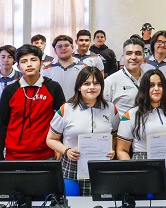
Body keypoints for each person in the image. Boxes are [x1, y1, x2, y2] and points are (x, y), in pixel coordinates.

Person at [46, 67, 118, 196]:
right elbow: (50, 139)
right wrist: (66, 151)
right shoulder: (66, 109)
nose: (92, 87)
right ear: (79, 87)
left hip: (101, 165)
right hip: (72, 165)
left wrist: (112, 148)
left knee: (101, 204)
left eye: (96, 83)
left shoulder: (111, 108)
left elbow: (115, 135)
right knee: (73, 204)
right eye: (86, 83)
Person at [116, 69, 166, 184]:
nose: (156, 89)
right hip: (141, 168)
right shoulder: (131, 115)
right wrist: (133, 170)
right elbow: (121, 150)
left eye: (160, 85)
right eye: (151, 85)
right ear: (144, 88)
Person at [0, 44, 66, 160]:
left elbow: (63, 119)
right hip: (14, 155)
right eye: (24, 61)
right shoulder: (10, 90)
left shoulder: (53, 87)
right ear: (18, 66)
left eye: (33, 60)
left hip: (45, 154)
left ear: (41, 63)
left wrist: (60, 146)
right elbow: (1, 124)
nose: (29, 64)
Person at [104, 38, 145, 114]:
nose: (133, 57)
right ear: (123, 57)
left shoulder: (149, 79)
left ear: (143, 57)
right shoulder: (110, 82)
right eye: (129, 53)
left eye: (138, 53)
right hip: (122, 122)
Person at [41, 35, 89, 100]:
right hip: (56, 106)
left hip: (78, 105)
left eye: (66, 45)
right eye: (60, 46)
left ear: (72, 47)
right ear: (55, 50)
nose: (63, 48)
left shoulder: (84, 68)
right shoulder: (46, 70)